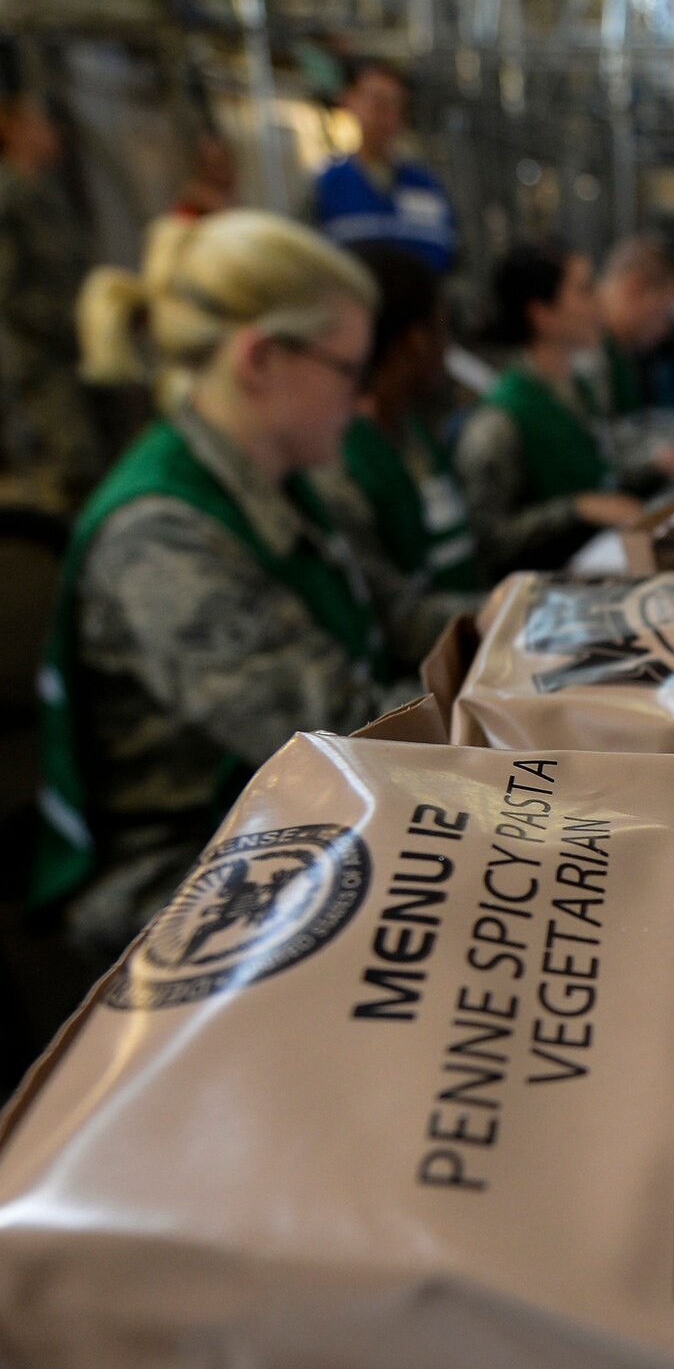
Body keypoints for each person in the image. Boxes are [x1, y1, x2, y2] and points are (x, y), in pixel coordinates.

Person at [37, 212, 440, 960]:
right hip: (187, 876)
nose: (361, 398)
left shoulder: (283, 483)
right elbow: (336, 735)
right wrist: (522, 716)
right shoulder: (161, 536)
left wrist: (548, 634)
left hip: (281, 820)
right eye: (349, 369)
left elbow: (403, 616)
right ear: (261, 359)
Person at [455, 240, 646, 581]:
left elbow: (601, 469)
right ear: (541, 314)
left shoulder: (580, 389)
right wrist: (576, 509)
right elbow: (490, 542)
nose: (600, 303)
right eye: (585, 291)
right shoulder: (500, 421)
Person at [315, 243, 481, 595]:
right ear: (417, 341)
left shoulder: (411, 430)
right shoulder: (344, 459)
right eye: (442, 329)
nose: (447, 349)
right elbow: (394, 617)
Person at [0, 93, 100, 512]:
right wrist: (74, 325)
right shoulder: (10, 199)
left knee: (92, 467)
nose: (54, 134)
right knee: (69, 471)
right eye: (43, 124)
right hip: (44, 364)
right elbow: (11, 292)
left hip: (75, 355)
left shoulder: (48, 193)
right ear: (14, 129)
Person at [577, 233, 674, 470]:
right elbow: (593, 448)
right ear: (635, 289)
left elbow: (633, 424)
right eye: (663, 313)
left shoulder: (617, 348)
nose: (666, 329)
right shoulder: (586, 349)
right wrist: (655, 458)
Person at [306, 61, 457, 275]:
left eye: (393, 104)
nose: (383, 115)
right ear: (350, 102)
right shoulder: (325, 185)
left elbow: (454, 259)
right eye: (375, 102)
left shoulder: (428, 187)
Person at [168, 129, 238, 222]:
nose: (221, 171)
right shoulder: (193, 201)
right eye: (214, 165)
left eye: (224, 163)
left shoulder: (232, 193)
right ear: (201, 167)